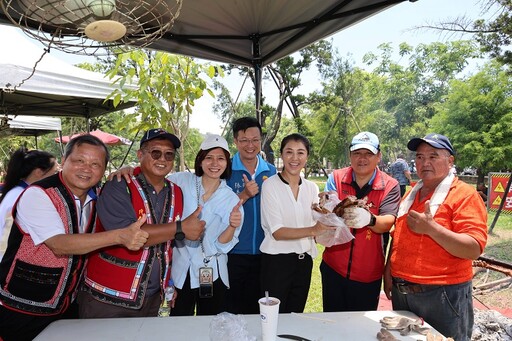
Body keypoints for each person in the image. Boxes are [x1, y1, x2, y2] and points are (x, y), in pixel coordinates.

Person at [0, 135, 149, 341]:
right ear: (63, 161)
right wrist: (120, 236)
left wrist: (128, 171)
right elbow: (60, 244)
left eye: (95, 164)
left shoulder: (97, 195)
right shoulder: (39, 194)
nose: (86, 168)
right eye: (79, 161)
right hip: (23, 306)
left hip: (66, 306)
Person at [80, 128, 205, 318]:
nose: (162, 159)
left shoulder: (176, 191)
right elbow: (128, 235)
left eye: (169, 155)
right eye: (155, 152)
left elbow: (167, 245)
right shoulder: (119, 185)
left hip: (152, 297)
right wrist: (181, 228)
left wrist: (168, 283)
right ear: (140, 154)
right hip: (107, 297)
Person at [383, 133, 488, 341]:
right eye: (420, 157)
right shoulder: (411, 193)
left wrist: (432, 229)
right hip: (402, 292)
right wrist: (389, 273)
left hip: (443, 295)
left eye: (433, 156)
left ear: (450, 161)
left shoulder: (464, 195)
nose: (424, 162)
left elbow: (474, 248)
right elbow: (398, 238)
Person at [321, 131, 401, 312]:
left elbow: (388, 221)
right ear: (350, 156)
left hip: (368, 273)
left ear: (378, 156)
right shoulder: (336, 178)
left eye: (368, 154)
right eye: (357, 153)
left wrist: (370, 219)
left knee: (360, 329)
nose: (362, 159)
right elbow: (326, 209)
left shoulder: (390, 185)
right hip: (333, 267)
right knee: (332, 322)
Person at [168, 134, 244, 316]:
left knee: (211, 324)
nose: (214, 163)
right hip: (182, 270)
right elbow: (154, 177)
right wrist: (131, 170)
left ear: (227, 163)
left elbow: (223, 245)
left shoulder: (231, 199)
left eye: (220, 158)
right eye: (208, 157)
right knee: (178, 323)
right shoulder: (182, 181)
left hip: (212, 271)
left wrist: (232, 226)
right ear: (200, 160)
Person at [260, 133, 335, 313]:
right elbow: (277, 232)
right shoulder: (270, 185)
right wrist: (313, 229)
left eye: (300, 153)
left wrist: (326, 208)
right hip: (276, 263)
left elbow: (317, 221)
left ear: (307, 156)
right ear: (282, 155)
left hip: (303, 263)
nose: (295, 158)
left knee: (295, 314)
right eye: (289, 152)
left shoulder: (312, 188)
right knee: (273, 316)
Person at [224, 117, 277, 314]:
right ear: (235, 141)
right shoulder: (225, 170)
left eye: (255, 140)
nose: (250, 145)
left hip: (265, 254)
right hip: (233, 253)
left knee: (258, 310)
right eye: (244, 140)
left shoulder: (271, 172)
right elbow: (217, 209)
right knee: (232, 309)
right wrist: (244, 195)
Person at [0, 148, 59, 260]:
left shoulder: (15, 191)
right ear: (38, 172)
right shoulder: (26, 196)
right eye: (54, 172)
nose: (57, 177)